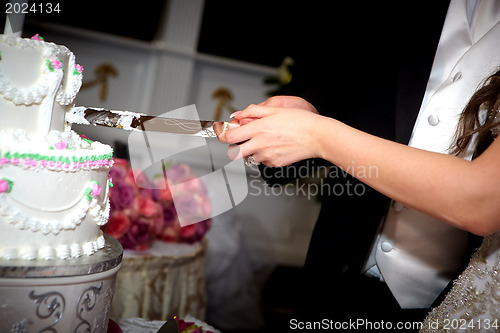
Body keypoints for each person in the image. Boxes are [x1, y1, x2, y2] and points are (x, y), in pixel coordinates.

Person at [215, 1, 500, 330]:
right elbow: (351, 64)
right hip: (339, 268)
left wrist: (316, 134)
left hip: (450, 304)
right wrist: (310, 107)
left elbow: (481, 200)